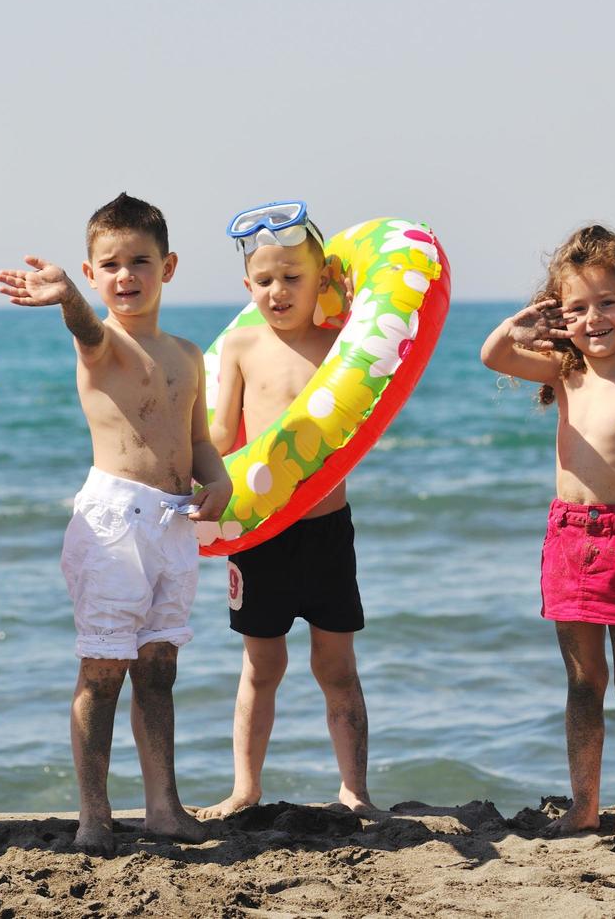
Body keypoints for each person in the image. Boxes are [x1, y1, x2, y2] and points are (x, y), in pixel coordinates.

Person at [0, 192, 232, 855]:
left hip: (172, 523)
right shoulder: (103, 344)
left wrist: (218, 478)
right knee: (103, 669)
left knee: (158, 668)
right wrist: (68, 297)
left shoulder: (186, 353)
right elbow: (83, 327)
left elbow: (198, 439)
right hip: (113, 521)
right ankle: (93, 814)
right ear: (91, 272)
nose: (126, 275)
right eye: (110, 264)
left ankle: (163, 808)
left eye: (140, 261)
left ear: (169, 265)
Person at [479, 223, 615, 835]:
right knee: (582, 682)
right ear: (559, 316)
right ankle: (583, 807)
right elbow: (492, 356)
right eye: (577, 308)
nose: (594, 318)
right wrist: (520, 326)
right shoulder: (562, 374)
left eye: (608, 302)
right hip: (569, 541)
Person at [196, 201, 378, 821]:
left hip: (327, 530)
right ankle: (245, 787)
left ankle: (354, 789)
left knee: (336, 665)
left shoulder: (340, 347)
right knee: (261, 663)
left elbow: (367, 414)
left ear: (322, 280)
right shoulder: (244, 346)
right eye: (265, 280)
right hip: (261, 534)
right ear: (248, 286)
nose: (278, 291)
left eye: (293, 277)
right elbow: (221, 434)